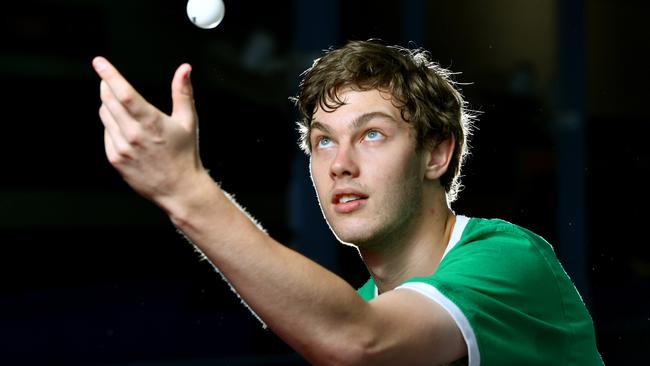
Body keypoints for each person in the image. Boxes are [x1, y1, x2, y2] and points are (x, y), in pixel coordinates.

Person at [92, 38, 603, 365]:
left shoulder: (509, 259)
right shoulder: (360, 307)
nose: (340, 164)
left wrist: (185, 190)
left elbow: (360, 343)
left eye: (373, 135)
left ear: (437, 153)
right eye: (323, 140)